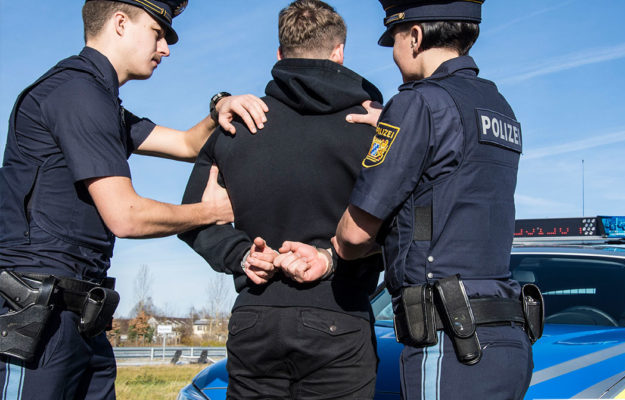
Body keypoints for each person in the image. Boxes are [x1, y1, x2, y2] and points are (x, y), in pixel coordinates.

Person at [0, 1, 269, 399]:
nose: (165, 49)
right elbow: (126, 216)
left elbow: (184, 143)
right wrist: (209, 212)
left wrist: (219, 107)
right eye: (158, 33)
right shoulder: (76, 93)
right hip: (37, 317)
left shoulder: (103, 102)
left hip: (82, 315)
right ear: (121, 23)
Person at [282, 1, 537, 399]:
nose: (395, 54)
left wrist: (329, 253)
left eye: (395, 40)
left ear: (415, 37)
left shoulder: (418, 102)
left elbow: (354, 235)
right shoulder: (499, 108)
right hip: (506, 337)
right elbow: (449, 195)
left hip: (450, 341)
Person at [178, 1, 383, 398]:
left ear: (279, 55)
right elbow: (399, 226)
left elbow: (194, 217)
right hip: (340, 313)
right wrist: (330, 257)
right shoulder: (374, 129)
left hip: (255, 315)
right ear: (339, 52)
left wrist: (240, 254)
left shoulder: (236, 126)